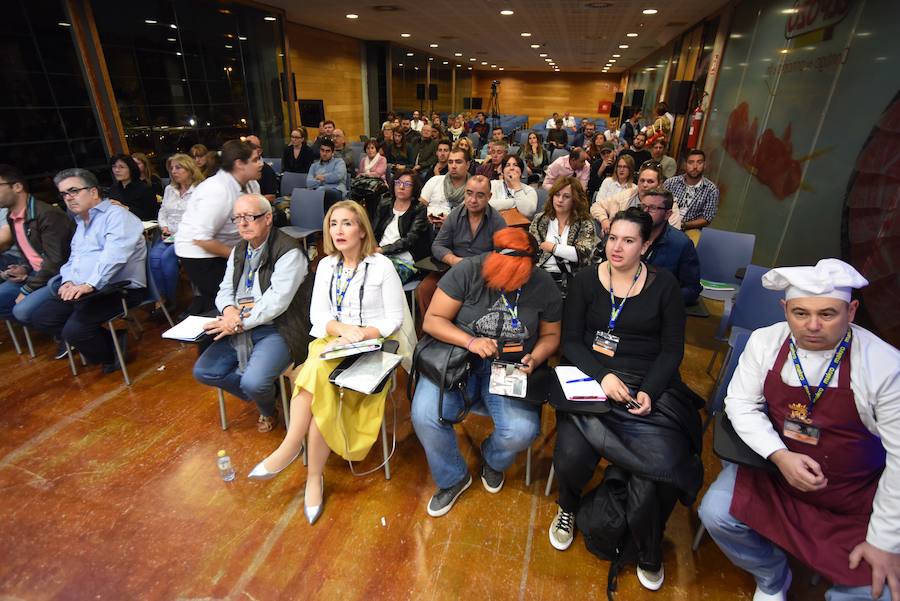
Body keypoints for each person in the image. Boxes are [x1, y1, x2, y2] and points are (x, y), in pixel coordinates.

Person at [698, 258, 900, 601]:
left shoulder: (884, 367)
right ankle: (772, 576)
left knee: (875, 589)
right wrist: (780, 456)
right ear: (784, 309)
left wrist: (884, 541)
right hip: (776, 475)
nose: (813, 326)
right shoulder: (765, 343)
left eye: (827, 314)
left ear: (851, 312)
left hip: (852, 495)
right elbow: (740, 404)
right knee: (715, 514)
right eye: (800, 313)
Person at [549, 207, 699, 593]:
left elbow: (672, 350)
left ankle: (648, 543)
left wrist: (650, 390)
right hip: (590, 375)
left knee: (666, 462)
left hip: (646, 381)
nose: (616, 247)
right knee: (571, 454)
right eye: (612, 238)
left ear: (645, 246)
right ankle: (567, 506)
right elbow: (571, 342)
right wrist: (603, 375)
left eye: (629, 240)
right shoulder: (585, 280)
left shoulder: (665, 286)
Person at [248, 200, 408, 526]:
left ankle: (295, 452)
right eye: (334, 224)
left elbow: (393, 318)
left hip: (372, 344)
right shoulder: (325, 266)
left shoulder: (381, 266)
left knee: (315, 375)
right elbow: (318, 316)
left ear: (362, 230)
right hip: (333, 342)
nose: (339, 230)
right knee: (321, 378)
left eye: (347, 223)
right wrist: (341, 330)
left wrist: (360, 333)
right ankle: (311, 475)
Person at [412, 227, 562, 516]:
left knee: (522, 431)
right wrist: (470, 341)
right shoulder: (469, 270)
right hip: (460, 361)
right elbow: (433, 320)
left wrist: (536, 356)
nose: (507, 283)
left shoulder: (543, 285)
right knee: (425, 415)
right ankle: (453, 478)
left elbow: (551, 335)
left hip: (510, 366)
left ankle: (492, 458)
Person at [193, 194, 309, 433]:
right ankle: (268, 393)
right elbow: (225, 289)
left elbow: (276, 303)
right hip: (238, 322)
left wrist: (237, 323)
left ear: (268, 218)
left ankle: (266, 408)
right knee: (204, 371)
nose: (243, 223)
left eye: (249, 217)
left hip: (279, 327)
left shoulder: (289, 251)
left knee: (254, 381)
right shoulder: (239, 250)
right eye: (237, 218)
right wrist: (228, 311)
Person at [30, 169, 148, 371]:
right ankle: (110, 340)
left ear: (93, 192)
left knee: (75, 331)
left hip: (117, 289)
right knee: (42, 318)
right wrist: (68, 281)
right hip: (86, 290)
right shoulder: (82, 222)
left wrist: (89, 284)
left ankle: (110, 354)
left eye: (74, 191)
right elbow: (73, 260)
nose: (68, 198)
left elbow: (115, 257)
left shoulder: (117, 216)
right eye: (64, 194)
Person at [176, 139, 262, 315]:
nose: (261, 164)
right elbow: (201, 239)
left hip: (222, 248)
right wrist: (241, 256)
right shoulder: (217, 191)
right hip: (200, 255)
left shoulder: (251, 184)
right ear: (239, 164)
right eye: (255, 160)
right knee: (225, 301)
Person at [0, 164, 74, 326]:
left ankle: (69, 331)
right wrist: (24, 268)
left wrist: (27, 289)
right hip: (35, 275)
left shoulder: (47, 214)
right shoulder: (11, 217)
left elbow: (55, 263)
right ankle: (57, 329)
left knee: (21, 311)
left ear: (17, 187)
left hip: (59, 277)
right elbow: (30, 254)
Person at [150, 153, 203, 307]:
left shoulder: (200, 189)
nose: (173, 171)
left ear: (189, 169)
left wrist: (179, 234)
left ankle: (171, 298)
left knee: (167, 258)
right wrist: (164, 227)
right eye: (171, 168)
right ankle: (162, 297)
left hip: (189, 236)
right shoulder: (169, 189)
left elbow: (200, 217)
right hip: (169, 234)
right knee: (153, 257)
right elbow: (163, 211)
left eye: (178, 167)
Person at [528, 176, 595, 293]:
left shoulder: (584, 223)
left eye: (566, 196)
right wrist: (567, 252)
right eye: (557, 195)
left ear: (575, 200)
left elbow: (582, 254)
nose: (560, 200)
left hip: (573, 279)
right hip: (541, 276)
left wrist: (553, 248)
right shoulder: (540, 219)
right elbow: (533, 250)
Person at [640, 188, 700, 305]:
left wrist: (661, 300)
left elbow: (692, 289)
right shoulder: (630, 235)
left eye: (652, 208)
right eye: (643, 206)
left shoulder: (681, 244)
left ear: (667, 214)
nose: (645, 212)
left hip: (659, 305)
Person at [431, 176, 507, 267]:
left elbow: (504, 254)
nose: (473, 200)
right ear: (464, 192)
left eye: (480, 196)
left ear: (489, 197)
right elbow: (438, 245)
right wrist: (453, 260)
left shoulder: (497, 221)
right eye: (469, 193)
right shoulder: (455, 215)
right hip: (456, 267)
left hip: (484, 269)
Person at [592, 162, 680, 236]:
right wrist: (604, 219)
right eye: (642, 180)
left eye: (650, 181)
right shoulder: (627, 195)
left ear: (659, 184)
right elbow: (596, 206)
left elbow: (673, 235)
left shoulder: (668, 205)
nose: (645, 185)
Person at [372, 172, 430, 283]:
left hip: (404, 259)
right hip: (379, 255)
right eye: (398, 182)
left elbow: (410, 240)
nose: (401, 187)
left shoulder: (419, 209)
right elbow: (373, 231)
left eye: (407, 184)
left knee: (378, 278)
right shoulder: (385, 203)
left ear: (414, 188)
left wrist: (382, 250)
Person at [663, 149, 719, 243]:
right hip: (665, 223)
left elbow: (707, 218)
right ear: (685, 165)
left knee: (691, 244)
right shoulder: (671, 182)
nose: (695, 166)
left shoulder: (711, 189)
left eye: (699, 162)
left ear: (705, 165)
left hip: (690, 229)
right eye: (691, 162)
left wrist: (683, 224)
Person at [419, 147, 470, 227]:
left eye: (458, 162)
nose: (453, 166)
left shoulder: (473, 189)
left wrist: (451, 222)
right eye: (450, 162)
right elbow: (420, 206)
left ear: (467, 165)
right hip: (428, 227)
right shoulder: (435, 180)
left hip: (457, 229)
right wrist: (425, 218)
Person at [107, 153, 158, 221]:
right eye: (114, 166)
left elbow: (151, 214)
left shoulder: (145, 189)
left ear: (131, 169)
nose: (116, 170)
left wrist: (125, 208)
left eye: (121, 167)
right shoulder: (113, 188)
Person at [489, 154, 538, 220]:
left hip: (520, 225)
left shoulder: (529, 190)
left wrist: (516, 185)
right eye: (507, 165)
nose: (511, 168)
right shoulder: (493, 184)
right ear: (503, 171)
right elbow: (488, 206)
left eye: (515, 165)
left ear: (521, 171)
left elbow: (528, 212)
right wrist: (515, 202)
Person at [306, 139, 347, 211]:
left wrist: (320, 178)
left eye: (327, 151)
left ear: (333, 152)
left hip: (336, 190)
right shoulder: (314, 166)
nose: (324, 153)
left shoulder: (339, 162)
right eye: (322, 150)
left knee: (320, 191)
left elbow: (337, 176)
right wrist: (321, 181)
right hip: (318, 191)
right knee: (303, 193)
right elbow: (309, 183)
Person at [245, 135, 278, 201]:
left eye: (253, 146)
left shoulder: (267, 171)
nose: (260, 164)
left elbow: (272, 196)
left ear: (260, 151)